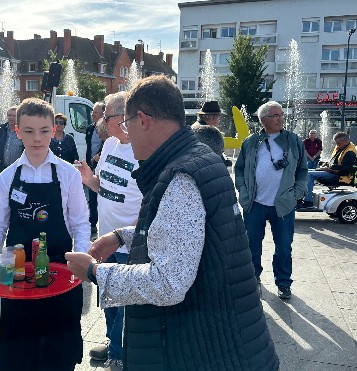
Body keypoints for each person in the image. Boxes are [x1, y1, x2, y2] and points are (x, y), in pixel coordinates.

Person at [66, 76, 279, 370]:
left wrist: (94, 272)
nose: (125, 135)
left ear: (142, 120)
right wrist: (122, 236)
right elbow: (187, 232)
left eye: (126, 125)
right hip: (226, 335)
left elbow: (168, 283)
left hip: (204, 348)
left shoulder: (180, 177)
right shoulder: (200, 157)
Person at [0, 98, 90, 371]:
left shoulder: (68, 174)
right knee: (19, 353)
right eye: (30, 131)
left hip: (60, 271)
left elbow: (81, 223)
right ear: (17, 131)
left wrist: (81, 257)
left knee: (59, 354)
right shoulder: (8, 177)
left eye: (45, 130)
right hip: (18, 274)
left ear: (54, 129)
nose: (38, 138)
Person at [76, 92, 143, 368]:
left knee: (125, 301)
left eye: (106, 117)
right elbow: (101, 186)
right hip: (106, 238)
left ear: (121, 118)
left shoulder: (144, 150)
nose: (102, 121)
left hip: (128, 243)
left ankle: (119, 352)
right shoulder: (111, 144)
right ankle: (112, 341)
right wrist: (88, 178)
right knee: (108, 296)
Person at [234, 101, 307, 300]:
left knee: (284, 245)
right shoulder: (251, 141)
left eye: (281, 115)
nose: (280, 118)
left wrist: (297, 193)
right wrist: (242, 190)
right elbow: (239, 168)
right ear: (263, 119)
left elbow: (302, 171)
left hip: (283, 205)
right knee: (251, 244)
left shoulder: (293, 140)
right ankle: (253, 277)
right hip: (254, 203)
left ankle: (283, 282)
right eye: (275, 115)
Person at [299, 132, 357, 208]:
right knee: (305, 171)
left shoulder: (349, 152)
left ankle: (308, 202)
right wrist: (326, 164)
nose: (337, 145)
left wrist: (328, 169)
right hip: (332, 171)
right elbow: (336, 162)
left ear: (345, 141)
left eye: (338, 143)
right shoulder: (343, 148)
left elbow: (344, 170)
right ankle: (301, 197)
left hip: (338, 175)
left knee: (309, 174)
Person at [85, 102, 105, 235]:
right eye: (93, 112)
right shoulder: (90, 128)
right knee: (91, 195)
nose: (93, 114)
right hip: (91, 165)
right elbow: (88, 147)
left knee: (103, 195)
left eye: (96, 112)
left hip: (102, 164)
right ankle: (92, 223)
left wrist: (99, 156)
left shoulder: (107, 129)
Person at [0, 107, 23, 173]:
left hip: (18, 170)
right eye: (9, 115)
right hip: (3, 169)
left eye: (14, 116)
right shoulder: (1, 130)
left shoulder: (23, 131)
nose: (11, 118)